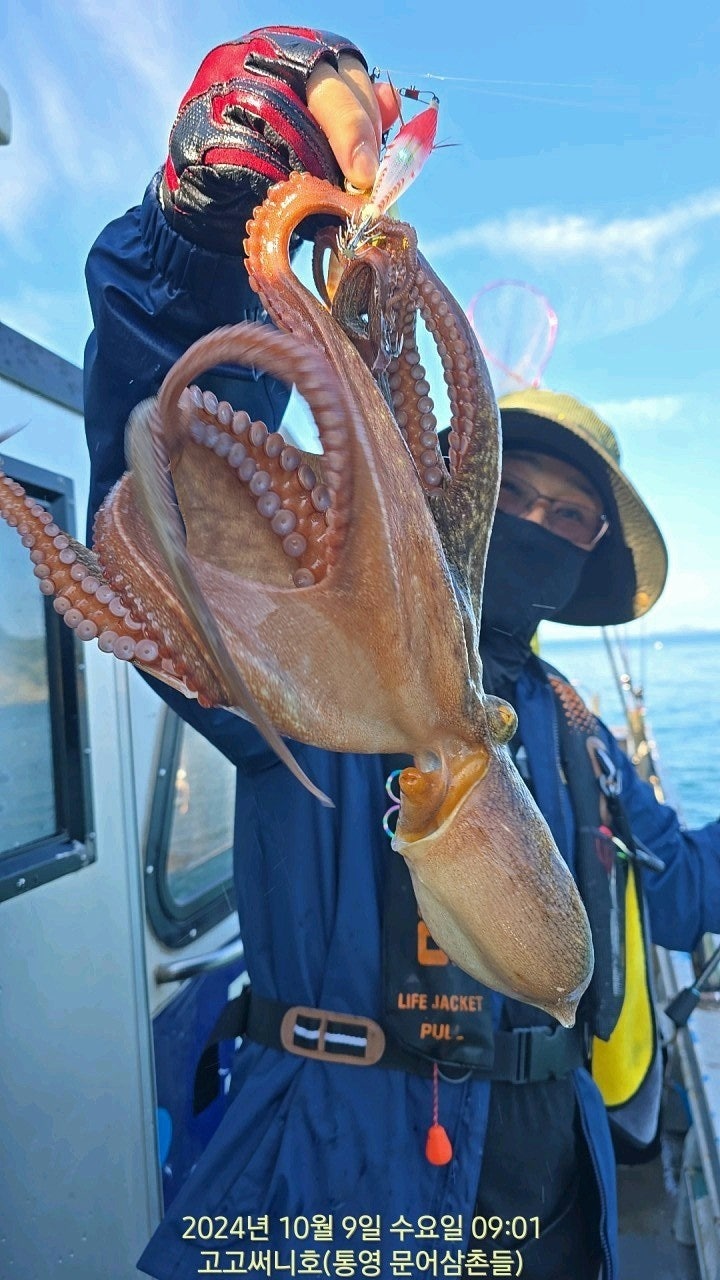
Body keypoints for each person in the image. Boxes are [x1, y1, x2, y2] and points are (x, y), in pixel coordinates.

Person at [82, 26, 720, 1280]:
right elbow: (172, 467)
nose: (531, 523)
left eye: (568, 518)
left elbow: (681, 881)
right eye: (511, 492)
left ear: (591, 560)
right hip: (329, 1194)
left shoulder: (574, 730)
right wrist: (206, 235)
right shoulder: (321, 692)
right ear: (450, 491)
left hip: (555, 1205)